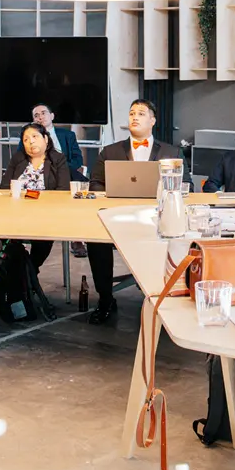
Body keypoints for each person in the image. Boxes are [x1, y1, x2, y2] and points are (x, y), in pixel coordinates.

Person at [0, 122, 71, 352]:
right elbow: (5, 187)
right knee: (11, 245)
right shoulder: (18, 160)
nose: (30, 143)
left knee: (44, 238)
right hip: (16, 215)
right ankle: (23, 279)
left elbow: (64, 191)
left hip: (46, 216)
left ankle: (28, 272)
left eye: (35, 137)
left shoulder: (58, 160)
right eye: (26, 139)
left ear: (46, 139)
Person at [85, 98, 182, 325]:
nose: (134, 117)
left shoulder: (171, 151)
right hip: (116, 216)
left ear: (153, 120)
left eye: (140, 113)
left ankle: (161, 298)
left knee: (174, 239)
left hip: (155, 219)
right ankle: (105, 298)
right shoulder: (109, 151)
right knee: (95, 241)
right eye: (131, 113)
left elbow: (183, 185)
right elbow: (95, 183)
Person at [32, 102, 88, 258]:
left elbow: (77, 159)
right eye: (36, 115)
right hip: (42, 177)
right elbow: (22, 161)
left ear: (52, 116)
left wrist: (61, 168)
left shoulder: (67, 135)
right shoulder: (29, 137)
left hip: (65, 175)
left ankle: (78, 236)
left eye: (43, 113)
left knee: (79, 188)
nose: (40, 117)